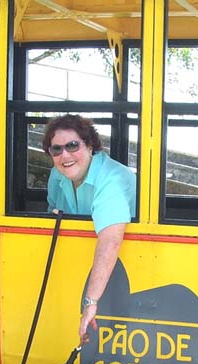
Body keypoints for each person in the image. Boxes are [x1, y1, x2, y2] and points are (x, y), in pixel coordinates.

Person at [42, 114, 136, 342]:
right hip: (75, 271)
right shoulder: (58, 174)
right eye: (56, 149)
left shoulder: (112, 178)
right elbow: (52, 212)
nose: (65, 155)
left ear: (90, 145)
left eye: (72, 146)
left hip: (120, 271)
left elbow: (111, 240)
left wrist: (91, 302)